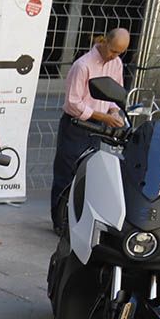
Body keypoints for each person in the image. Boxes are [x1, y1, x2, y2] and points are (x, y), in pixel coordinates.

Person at [51, 27, 129, 229]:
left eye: (119, 52)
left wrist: (113, 113)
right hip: (76, 125)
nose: (114, 56)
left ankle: (77, 222)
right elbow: (72, 103)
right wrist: (103, 115)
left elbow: (115, 97)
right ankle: (59, 223)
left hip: (100, 126)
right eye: (113, 50)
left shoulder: (116, 64)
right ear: (104, 42)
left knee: (88, 174)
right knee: (66, 173)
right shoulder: (83, 65)